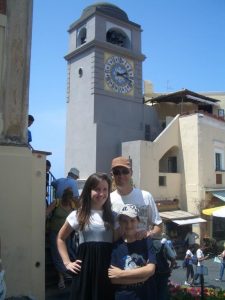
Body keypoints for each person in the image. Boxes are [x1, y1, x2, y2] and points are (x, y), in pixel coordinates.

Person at [57, 173, 115, 300]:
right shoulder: (78, 214)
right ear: (89, 190)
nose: (101, 193)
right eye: (97, 189)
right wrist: (67, 263)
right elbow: (60, 238)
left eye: (105, 189)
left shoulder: (114, 216)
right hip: (85, 270)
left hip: (107, 270)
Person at [108, 204, 156, 300]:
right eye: (124, 221)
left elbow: (151, 269)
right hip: (123, 296)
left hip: (145, 295)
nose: (129, 225)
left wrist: (121, 274)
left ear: (138, 221)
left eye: (132, 220)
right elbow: (113, 279)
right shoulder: (115, 247)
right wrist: (143, 276)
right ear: (120, 223)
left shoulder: (146, 241)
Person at [110, 156, 162, 239]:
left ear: (131, 173)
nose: (121, 175)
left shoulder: (146, 196)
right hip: (118, 249)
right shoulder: (108, 200)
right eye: (117, 172)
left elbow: (158, 225)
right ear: (112, 175)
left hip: (142, 249)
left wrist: (149, 234)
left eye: (125, 171)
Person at [46, 188, 76, 289]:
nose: (68, 200)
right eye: (67, 197)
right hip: (55, 233)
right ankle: (62, 277)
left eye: (70, 197)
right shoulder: (57, 202)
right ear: (64, 196)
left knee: (65, 255)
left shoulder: (72, 205)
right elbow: (46, 213)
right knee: (56, 255)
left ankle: (64, 275)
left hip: (66, 235)